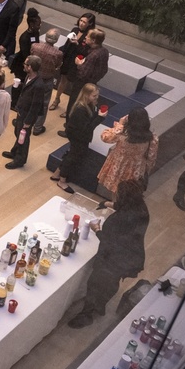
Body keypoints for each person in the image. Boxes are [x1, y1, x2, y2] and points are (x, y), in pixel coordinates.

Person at [67, 180, 150, 328]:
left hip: (113, 258)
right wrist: (108, 204)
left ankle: (87, 314)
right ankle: (101, 305)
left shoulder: (120, 220)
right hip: (129, 256)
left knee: (95, 284)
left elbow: (108, 241)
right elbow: (126, 208)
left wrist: (97, 229)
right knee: (112, 282)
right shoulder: (141, 209)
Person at [96, 106, 158, 209]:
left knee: (116, 191)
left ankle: (115, 207)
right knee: (128, 193)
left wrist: (120, 125)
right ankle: (120, 209)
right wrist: (146, 169)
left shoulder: (123, 133)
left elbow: (105, 137)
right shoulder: (151, 138)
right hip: (136, 169)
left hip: (118, 165)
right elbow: (151, 157)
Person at [50, 84, 103, 194]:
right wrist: (100, 118)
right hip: (78, 136)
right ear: (86, 95)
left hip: (79, 135)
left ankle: (57, 173)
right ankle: (62, 180)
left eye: (97, 95)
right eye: (94, 96)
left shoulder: (89, 105)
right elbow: (87, 127)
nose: (96, 98)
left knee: (71, 154)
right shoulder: (81, 109)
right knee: (72, 157)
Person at [2, 55, 45, 169]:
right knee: (18, 133)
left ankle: (20, 159)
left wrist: (28, 121)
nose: (24, 66)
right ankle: (15, 152)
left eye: (25, 64)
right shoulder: (29, 76)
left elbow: (36, 106)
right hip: (22, 111)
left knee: (23, 138)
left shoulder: (39, 84)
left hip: (27, 116)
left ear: (30, 67)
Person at [50, 12, 96, 110]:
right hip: (68, 59)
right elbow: (66, 45)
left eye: (84, 22)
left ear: (90, 24)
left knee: (73, 86)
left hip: (77, 62)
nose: (81, 23)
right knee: (62, 80)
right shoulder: (74, 30)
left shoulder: (89, 35)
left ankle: (70, 108)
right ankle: (56, 99)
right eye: (81, 20)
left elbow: (85, 52)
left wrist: (76, 43)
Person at [65, 27, 109, 116]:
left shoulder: (93, 55)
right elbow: (104, 70)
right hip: (93, 83)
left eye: (87, 36)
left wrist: (79, 65)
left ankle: (68, 126)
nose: (85, 37)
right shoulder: (104, 51)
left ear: (93, 40)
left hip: (81, 85)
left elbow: (83, 74)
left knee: (74, 104)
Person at [29, 28, 63, 135]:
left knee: (27, 100)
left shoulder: (35, 46)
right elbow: (57, 65)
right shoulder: (58, 53)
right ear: (56, 40)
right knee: (43, 104)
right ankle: (37, 128)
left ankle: (24, 122)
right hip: (46, 80)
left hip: (32, 78)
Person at [9, 7, 41, 105]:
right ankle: (13, 102)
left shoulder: (36, 33)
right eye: (38, 24)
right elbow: (25, 53)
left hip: (30, 62)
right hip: (21, 63)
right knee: (18, 83)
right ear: (31, 24)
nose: (39, 26)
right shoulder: (24, 37)